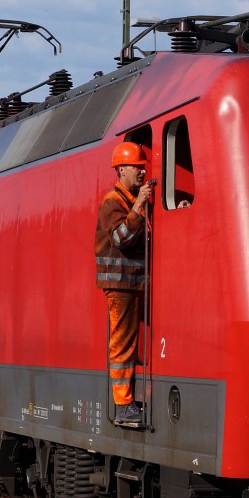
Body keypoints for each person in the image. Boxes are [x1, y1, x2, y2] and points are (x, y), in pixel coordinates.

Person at [94, 142, 154, 426]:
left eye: (143, 166)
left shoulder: (129, 200)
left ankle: (130, 399)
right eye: (136, 167)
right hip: (120, 286)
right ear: (121, 170)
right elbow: (120, 239)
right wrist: (140, 205)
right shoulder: (112, 202)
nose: (142, 171)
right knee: (121, 346)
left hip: (134, 284)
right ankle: (122, 406)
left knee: (131, 344)